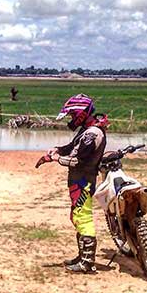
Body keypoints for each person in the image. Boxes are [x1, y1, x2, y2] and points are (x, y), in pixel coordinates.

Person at [37, 94, 109, 273]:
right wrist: (59, 149)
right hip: (79, 180)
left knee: (83, 218)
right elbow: (72, 146)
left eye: (72, 115)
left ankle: (87, 263)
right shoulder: (87, 130)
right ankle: (82, 256)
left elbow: (78, 160)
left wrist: (56, 158)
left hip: (84, 180)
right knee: (77, 216)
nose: (71, 119)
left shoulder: (92, 134)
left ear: (81, 113)